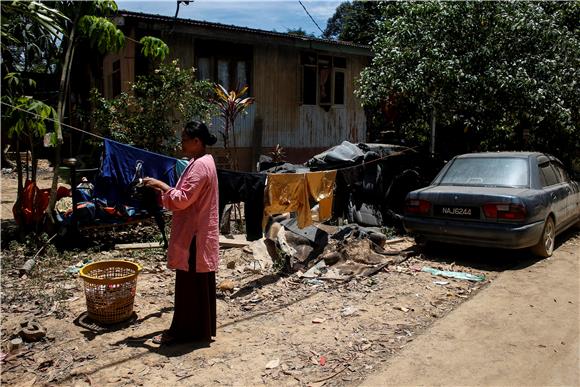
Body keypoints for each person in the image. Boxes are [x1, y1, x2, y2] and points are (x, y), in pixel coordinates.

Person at [142, 121, 219, 345]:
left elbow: (183, 199)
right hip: (198, 231)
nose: (181, 143)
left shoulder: (200, 166)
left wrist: (161, 185)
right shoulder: (201, 161)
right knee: (198, 284)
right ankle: (200, 329)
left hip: (194, 234)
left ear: (197, 141)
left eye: (185, 139)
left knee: (189, 287)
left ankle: (183, 332)